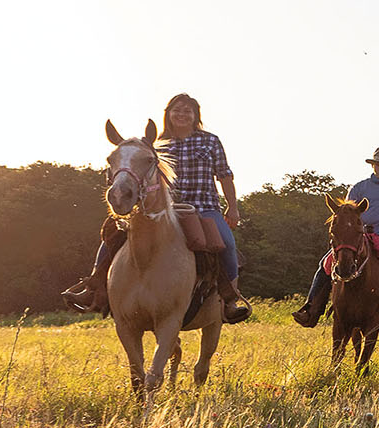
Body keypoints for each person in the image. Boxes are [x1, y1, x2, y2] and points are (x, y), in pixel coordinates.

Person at [61, 92, 251, 323]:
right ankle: (93, 289)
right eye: (176, 110)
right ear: (168, 115)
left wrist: (232, 207)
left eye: (187, 111)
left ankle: (229, 301)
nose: (181, 114)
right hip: (160, 209)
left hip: (203, 207)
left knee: (227, 243)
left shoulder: (210, 141)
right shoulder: (156, 144)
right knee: (112, 237)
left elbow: (224, 175)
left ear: (195, 116)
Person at [291, 147, 379, 334]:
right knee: (326, 263)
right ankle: (311, 307)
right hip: (362, 237)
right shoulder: (359, 188)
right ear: (373, 165)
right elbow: (345, 214)